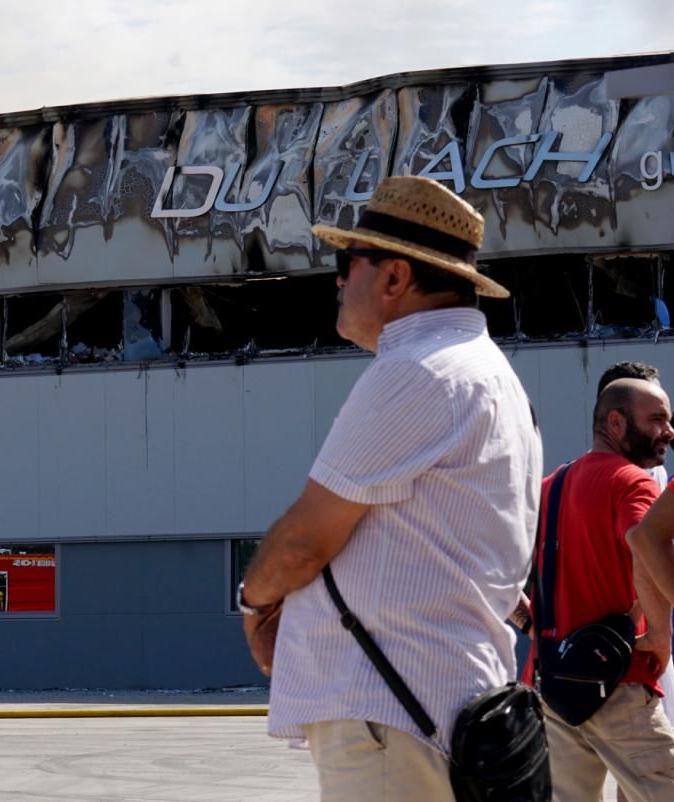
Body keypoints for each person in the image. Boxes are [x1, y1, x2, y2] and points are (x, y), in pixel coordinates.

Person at [238, 176, 541, 801]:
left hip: (393, 713)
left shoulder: (416, 370)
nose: (340, 280)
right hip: (447, 700)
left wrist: (254, 604)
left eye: (349, 262)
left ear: (395, 278)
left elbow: (304, 540)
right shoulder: (490, 374)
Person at [525, 378, 674, 801]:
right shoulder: (633, 482)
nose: (669, 431)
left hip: (553, 683)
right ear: (616, 421)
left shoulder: (549, 488)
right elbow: (646, 545)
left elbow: (500, 579)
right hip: (619, 681)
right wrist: (661, 637)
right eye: (657, 419)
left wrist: (530, 626)